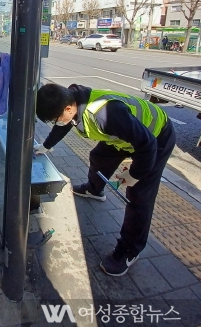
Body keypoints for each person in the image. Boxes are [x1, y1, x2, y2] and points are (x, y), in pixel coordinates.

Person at [35, 83, 176, 277]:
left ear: (68, 108)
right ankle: (94, 190)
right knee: (99, 156)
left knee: (139, 194)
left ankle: (129, 251)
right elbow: (63, 125)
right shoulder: (70, 100)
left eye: (55, 119)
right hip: (123, 136)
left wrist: (134, 175)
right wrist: (46, 146)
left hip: (156, 137)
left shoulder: (104, 114)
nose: (56, 123)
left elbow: (147, 145)